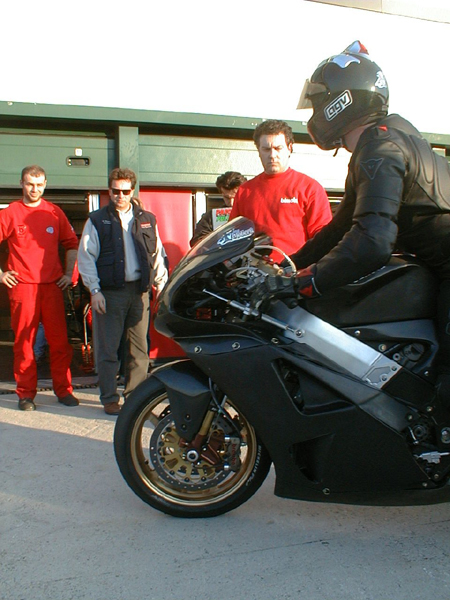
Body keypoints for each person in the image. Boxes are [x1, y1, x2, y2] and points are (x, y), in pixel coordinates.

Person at [292, 41, 450, 411]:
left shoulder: (382, 147)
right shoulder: (384, 139)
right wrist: (289, 263)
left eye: (319, 102)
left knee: (444, 393)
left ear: (342, 101)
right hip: (440, 267)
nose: (315, 112)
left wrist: (308, 281)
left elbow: (371, 242)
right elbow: (341, 228)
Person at [77, 167, 168, 415]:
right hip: (109, 294)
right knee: (108, 349)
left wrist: (161, 285)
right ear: (109, 191)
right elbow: (85, 257)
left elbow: (158, 254)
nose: (120, 195)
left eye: (125, 191)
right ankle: (108, 397)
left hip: (140, 293)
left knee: (139, 349)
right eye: (115, 191)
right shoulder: (96, 220)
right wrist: (94, 290)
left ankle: (134, 398)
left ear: (132, 191)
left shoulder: (147, 218)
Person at [0, 165, 80, 411]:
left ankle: (63, 390)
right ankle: (26, 394)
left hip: (52, 288)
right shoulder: (10, 212)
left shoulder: (54, 212)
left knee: (60, 342)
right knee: (25, 343)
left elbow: (72, 243)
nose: (34, 189)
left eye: (39, 184)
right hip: (22, 287)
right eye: (29, 184)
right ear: (21, 184)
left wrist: (70, 274)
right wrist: (1, 274)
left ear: (45, 184)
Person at [228, 119, 332, 256]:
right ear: (258, 150)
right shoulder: (245, 191)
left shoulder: (310, 188)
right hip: (254, 273)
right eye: (266, 149)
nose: (272, 155)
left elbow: (323, 238)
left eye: (278, 148)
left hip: (296, 272)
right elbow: (233, 237)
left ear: (289, 148)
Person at [190, 171, 247, 246]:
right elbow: (197, 242)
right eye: (227, 198)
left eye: (235, 197)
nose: (231, 203)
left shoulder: (254, 212)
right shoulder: (211, 216)